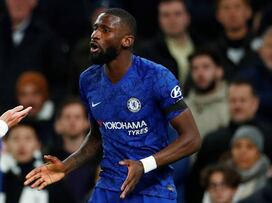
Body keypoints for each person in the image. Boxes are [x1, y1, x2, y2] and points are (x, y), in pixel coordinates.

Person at [24, 8, 201, 203]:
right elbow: (96, 137)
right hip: (108, 188)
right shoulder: (88, 79)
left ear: (127, 41)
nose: (95, 34)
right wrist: (65, 167)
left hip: (152, 190)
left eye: (105, 30)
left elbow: (192, 139)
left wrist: (144, 165)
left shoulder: (157, 77)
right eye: (95, 28)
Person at [187, 80, 272, 203]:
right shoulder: (213, 140)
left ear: (255, 103)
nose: (237, 105)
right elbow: (196, 184)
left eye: (242, 100)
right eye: (233, 101)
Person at [1, 123, 75, 203]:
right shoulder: (3, 176)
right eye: (16, 139)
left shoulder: (49, 177)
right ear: (6, 144)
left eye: (28, 139)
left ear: (38, 144)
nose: (22, 145)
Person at [137, 0, 203, 87]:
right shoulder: (146, 52)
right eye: (166, 15)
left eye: (177, 14)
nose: (172, 20)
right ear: (159, 20)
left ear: (187, 17)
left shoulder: (203, 45)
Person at [51, 98, 98, 203]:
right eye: (67, 117)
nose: (72, 121)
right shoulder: (48, 159)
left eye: (77, 117)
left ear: (88, 123)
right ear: (57, 124)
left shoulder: (99, 159)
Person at [185, 49, 229, 138]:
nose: (200, 73)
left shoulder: (232, 102)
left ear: (219, 71)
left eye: (206, 67)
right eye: (195, 68)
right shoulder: (183, 107)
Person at [210, 0, 257, 80]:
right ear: (218, 15)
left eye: (237, 7)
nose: (232, 13)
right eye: (226, 8)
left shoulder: (263, 48)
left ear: (249, 12)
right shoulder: (210, 52)